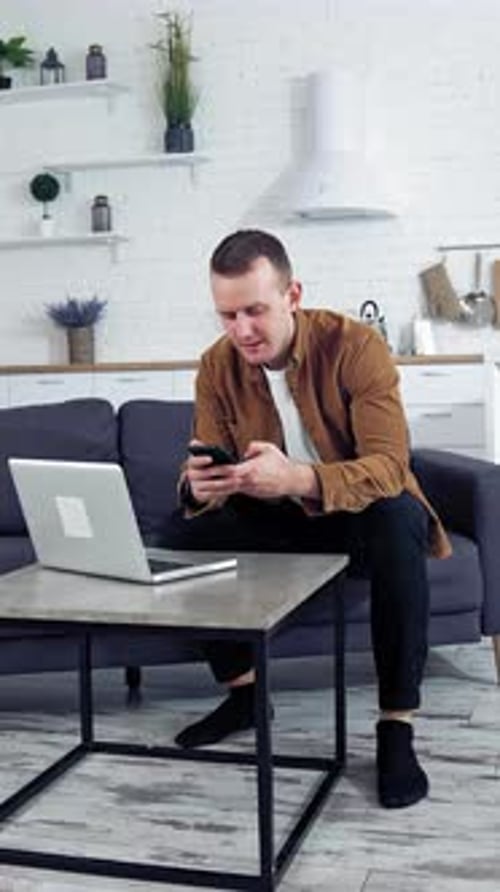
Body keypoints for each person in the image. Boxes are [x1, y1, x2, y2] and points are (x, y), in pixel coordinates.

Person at [171, 229, 451, 809]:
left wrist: (298, 477)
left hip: (358, 513)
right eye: (227, 314)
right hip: (277, 517)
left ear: (292, 294)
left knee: (400, 518)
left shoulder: (354, 346)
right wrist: (198, 485)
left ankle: (397, 724)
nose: (242, 330)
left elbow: (389, 467)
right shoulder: (215, 367)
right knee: (181, 533)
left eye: (255, 310)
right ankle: (245, 695)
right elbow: (208, 459)